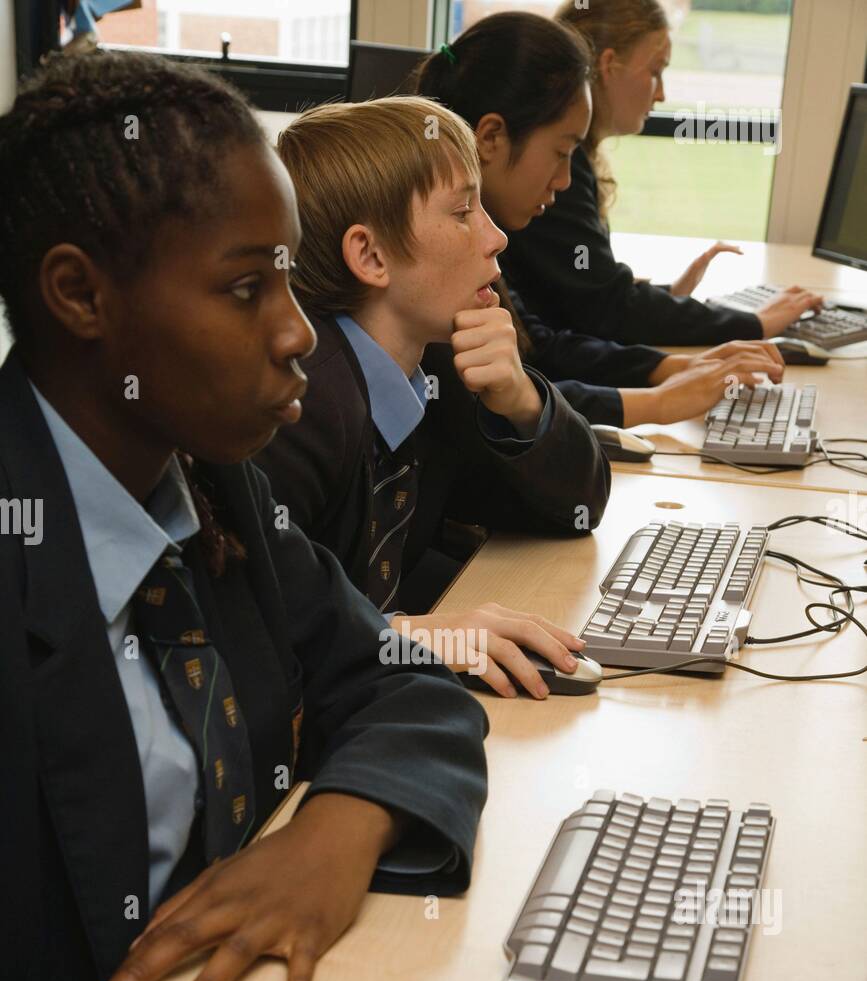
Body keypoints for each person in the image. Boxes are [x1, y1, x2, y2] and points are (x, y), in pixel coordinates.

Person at [0, 48, 522, 981]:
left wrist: (332, 833)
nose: (298, 333)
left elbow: (405, 685)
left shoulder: (207, 476)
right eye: (246, 290)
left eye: (286, 277)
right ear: (80, 296)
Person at [256, 95, 610, 700]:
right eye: (464, 210)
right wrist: (412, 635)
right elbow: (257, 627)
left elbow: (574, 509)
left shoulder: (434, 366)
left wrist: (521, 401)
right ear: (370, 256)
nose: (496, 238)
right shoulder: (296, 407)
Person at [415, 12, 787, 433]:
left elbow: (536, 348)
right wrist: (659, 401)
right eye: (561, 153)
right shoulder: (432, 267)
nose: (566, 180)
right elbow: (496, 398)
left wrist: (671, 368)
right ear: (491, 138)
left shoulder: (477, 238)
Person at [503, 0, 824, 347]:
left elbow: (583, 294)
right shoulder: (558, 171)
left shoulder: (571, 161)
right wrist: (755, 324)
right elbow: (606, 310)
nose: (661, 93)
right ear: (608, 65)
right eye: (655, 70)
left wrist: (669, 296)